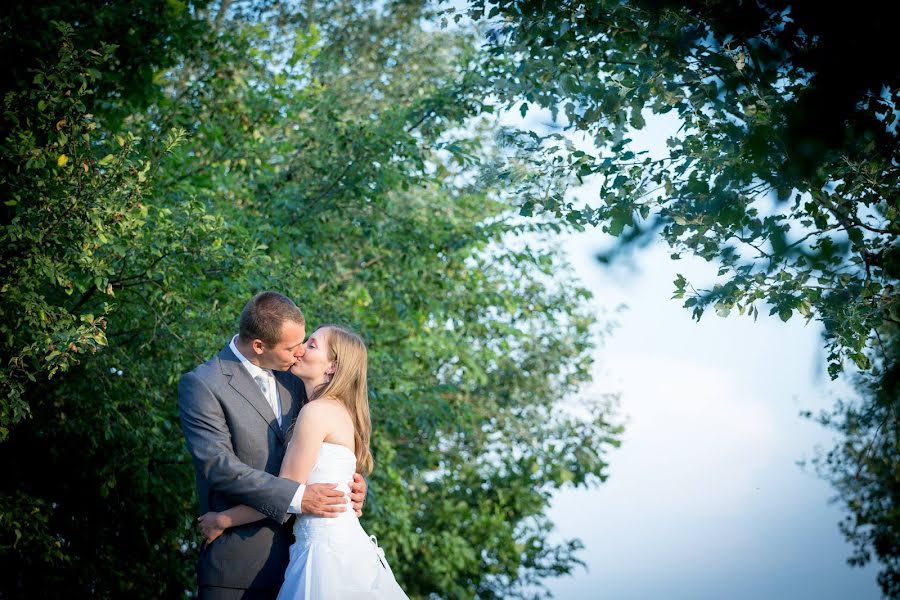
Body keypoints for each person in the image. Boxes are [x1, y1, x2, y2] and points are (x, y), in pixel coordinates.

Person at [179, 292, 368, 600]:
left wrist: (353, 486)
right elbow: (219, 467)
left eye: (306, 343)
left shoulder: (298, 380)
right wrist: (299, 497)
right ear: (259, 346)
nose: (300, 353)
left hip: (307, 564)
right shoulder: (203, 384)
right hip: (239, 567)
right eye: (293, 347)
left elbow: (328, 448)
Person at [197, 324, 408, 599]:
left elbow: (287, 490)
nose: (300, 350)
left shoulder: (316, 412)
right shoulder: (340, 411)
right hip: (344, 547)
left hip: (323, 553)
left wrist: (223, 519)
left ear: (332, 367)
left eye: (311, 345)